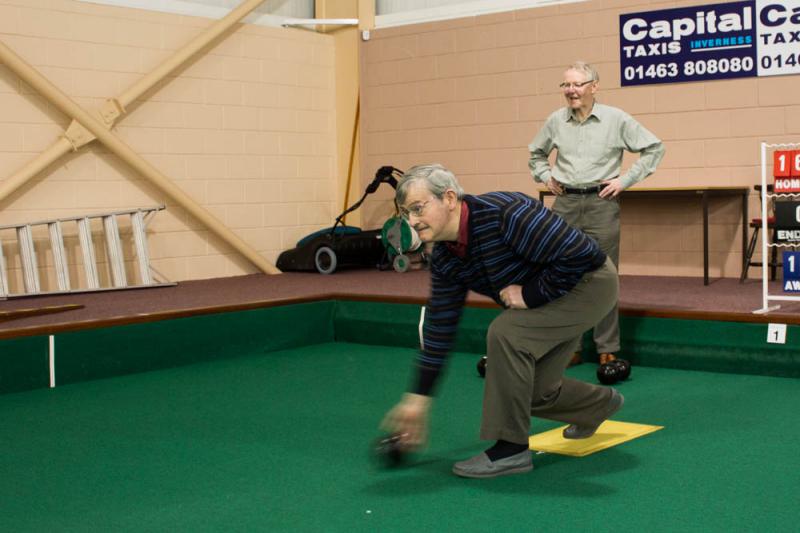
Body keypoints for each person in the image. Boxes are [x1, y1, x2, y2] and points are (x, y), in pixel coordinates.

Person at [381, 164, 622, 479]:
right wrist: (417, 401)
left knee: (506, 332)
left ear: (449, 198)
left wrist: (531, 294)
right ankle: (596, 406)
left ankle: (511, 450)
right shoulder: (445, 257)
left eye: (418, 208)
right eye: (406, 214)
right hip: (552, 298)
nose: (411, 221)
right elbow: (440, 326)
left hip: (589, 283)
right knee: (532, 393)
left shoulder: (506, 213)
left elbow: (581, 254)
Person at [528, 61, 665, 365]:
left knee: (604, 276)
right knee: (563, 276)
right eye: (566, 85)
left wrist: (625, 180)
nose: (571, 91)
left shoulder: (616, 119)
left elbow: (654, 148)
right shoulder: (555, 121)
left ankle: (607, 349)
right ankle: (570, 348)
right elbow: (536, 153)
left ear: (594, 86)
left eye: (577, 84)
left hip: (601, 204)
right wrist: (545, 176)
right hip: (564, 205)